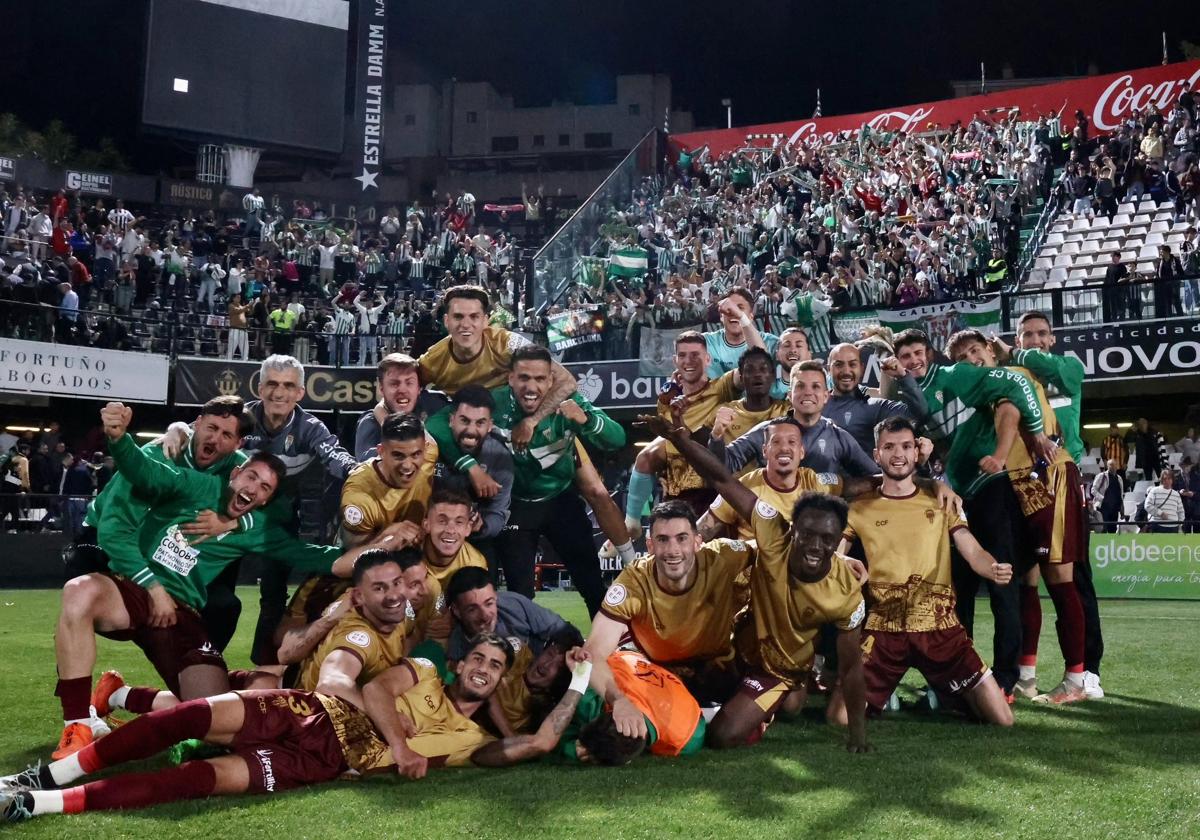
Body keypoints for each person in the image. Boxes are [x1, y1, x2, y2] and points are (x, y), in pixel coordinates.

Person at [0, 635, 592, 820]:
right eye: (480, 660)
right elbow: (378, 689)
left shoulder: (476, 743)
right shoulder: (428, 671)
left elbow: (541, 740)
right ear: (463, 663)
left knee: (197, 779)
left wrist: (580, 682)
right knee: (191, 715)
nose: (485, 670)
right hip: (320, 711)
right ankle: (48, 772)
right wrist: (399, 746)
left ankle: (37, 804)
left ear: (500, 680)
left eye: (496, 666)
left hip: (325, 763)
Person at [50, 402, 355, 759]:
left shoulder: (252, 518)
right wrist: (118, 438)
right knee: (79, 590)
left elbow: (312, 549)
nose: (254, 488)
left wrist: (381, 552)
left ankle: (122, 695)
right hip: (131, 579)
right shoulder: (191, 480)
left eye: (264, 488)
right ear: (235, 473)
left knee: (216, 726)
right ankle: (76, 724)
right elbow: (140, 479)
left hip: (184, 613)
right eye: (251, 478)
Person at [645, 409, 870, 750]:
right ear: (792, 529)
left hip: (776, 668)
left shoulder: (846, 594)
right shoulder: (772, 528)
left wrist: (858, 735)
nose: (815, 546)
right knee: (684, 676)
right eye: (807, 534)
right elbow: (722, 479)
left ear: (839, 537)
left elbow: (852, 669)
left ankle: (773, 701)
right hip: (738, 643)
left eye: (827, 539)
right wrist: (681, 440)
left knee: (722, 736)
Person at [417, 285, 637, 568]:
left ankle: (632, 567)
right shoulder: (432, 360)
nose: (466, 324)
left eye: (474, 316)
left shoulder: (507, 342)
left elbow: (566, 381)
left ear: (486, 320)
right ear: (446, 320)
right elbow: (404, 387)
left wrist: (531, 420)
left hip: (529, 417)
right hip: (487, 432)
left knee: (596, 490)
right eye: (458, 317)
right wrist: (381, 411)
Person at [828, 416, 1014, 726]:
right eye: (888, 447)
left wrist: (991, 567)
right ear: (877, 455)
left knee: (1002, 719)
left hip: (942, 631)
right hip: (883, 630)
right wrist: (842, 562)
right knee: (839, 718)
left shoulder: (942, 500)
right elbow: (835, 555)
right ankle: (891, 691)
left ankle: (946, 692)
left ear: (917, 452)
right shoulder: (859, 508)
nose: (897, 454)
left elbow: (972, 550)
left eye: (905, 446)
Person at [948, 329, 1089, 705]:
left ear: (992, 351)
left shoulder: (1010, 377)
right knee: (1026, 579)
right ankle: (1026, 676)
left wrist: (1000, 452)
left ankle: (1077, 679)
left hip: (1048, 477)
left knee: (1059, 577)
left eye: (975, 350)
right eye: (962, 358)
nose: (971, 360)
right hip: (1019, 486)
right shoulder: (984, 396)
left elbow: (1010, 414)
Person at [471, 345, 623, 617]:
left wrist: (586, 421)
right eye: (524, 378)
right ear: (510, 379)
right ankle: (525, 656)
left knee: (591, 585)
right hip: (514, 506)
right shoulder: (492, 405)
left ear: (552, 381)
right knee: (520, 594)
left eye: (540, 379)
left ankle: (605, 654)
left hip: (561, 502)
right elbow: (449, 428)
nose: (531, 387)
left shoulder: (569, 403)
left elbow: (617, 439)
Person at [584, 501, 755, 706]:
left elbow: (771, 549)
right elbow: (593, 654)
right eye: (663, 540)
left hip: (718, 668)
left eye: (682, 538)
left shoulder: (722, 557)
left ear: (697, 542)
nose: (673, 550)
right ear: (650, 546)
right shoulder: (634, 582)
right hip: (658, 673)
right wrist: (619, 701)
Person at [717, 361, 880, 478]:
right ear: (789, 395)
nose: (808, 392)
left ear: (825, 396)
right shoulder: (767, 431)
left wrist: (843, 488)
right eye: (800, 386)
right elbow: (722, 466)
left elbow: (874, 476)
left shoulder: (839, 437)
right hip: (774, 519)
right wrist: (716, 437)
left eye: (815, 386)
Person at [424, 385, 515, 555]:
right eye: (464, 421)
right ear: (451, 420)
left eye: (480, 423)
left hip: (474, 541)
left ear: (490, 426)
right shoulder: (429, 448)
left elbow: (498, 513)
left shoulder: (500, 458)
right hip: (425, 535)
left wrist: (482, 526)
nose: (471, 431)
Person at [444, 566, 572, 663]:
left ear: (495, 596)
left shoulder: (514, 604)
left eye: (489, 603)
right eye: (472, 609)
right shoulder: (456, 653)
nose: (484, 616)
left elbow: (562, 629)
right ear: (456, 611)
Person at [823, 343, 926, 457]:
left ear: (862, 369)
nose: (846, 371)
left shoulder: (875, 407)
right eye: (839, 365)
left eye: (852, 364)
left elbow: (919, 415)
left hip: (867, 474)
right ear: (828, 369)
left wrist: (903, 377)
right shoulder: (816, 406)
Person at [353, 353, 447, 461]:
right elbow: (365, 464)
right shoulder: (370, 422)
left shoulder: (436, 404)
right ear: (381, 388)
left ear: (419, 387)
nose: (402, 390)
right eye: (394, 383)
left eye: (409, 383)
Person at [419, 489, 489, 590]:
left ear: (468, 529)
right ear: (426, 525)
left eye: (459, 522)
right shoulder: (407, 552)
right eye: (442, 521)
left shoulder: (475, 564)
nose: (451, 531)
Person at [1092, 460, 1126, 534]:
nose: (1112, 466)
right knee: (1103, 529)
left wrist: (1122, 509)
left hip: (1114, 508)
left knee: (1113, 529)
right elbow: (1093, 490)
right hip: (1103, 507)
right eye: (1111, 465)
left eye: (1114, 465)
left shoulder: (1119, 478)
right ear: (1107, 466)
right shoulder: (1102, 476)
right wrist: (1102, 498)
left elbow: (1120, 494)